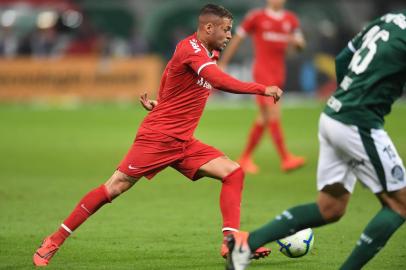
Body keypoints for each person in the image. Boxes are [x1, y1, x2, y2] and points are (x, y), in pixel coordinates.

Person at [32, 4, 283, 267]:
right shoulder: (192, 49)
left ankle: (231, 244)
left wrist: (162, 102)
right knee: (115, 186)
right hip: (158, 138)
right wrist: (262, 89)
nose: (230, 35)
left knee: (233, 172)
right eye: (226, 29)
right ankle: (54, 240)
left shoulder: (211, 50)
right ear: (209, 28)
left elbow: (171, 73)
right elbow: (218, 81)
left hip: (183, 141)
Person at [226, 10, 406, 270]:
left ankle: (246, 244)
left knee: (330, 208)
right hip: (359, 122)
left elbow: (344, 57)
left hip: (333, 115)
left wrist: (348, 96)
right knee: (400, 203)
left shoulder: (387, 20)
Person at [218, 0, 306, 173]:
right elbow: (237, 39)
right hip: (263, 73)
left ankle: (244, 158)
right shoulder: (256, 17)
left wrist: (297, 44)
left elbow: (300, 45)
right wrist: (224, 62)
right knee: (274, 113)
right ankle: (286, 158)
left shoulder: (291, 19)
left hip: (279, 73)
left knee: (264, 118)